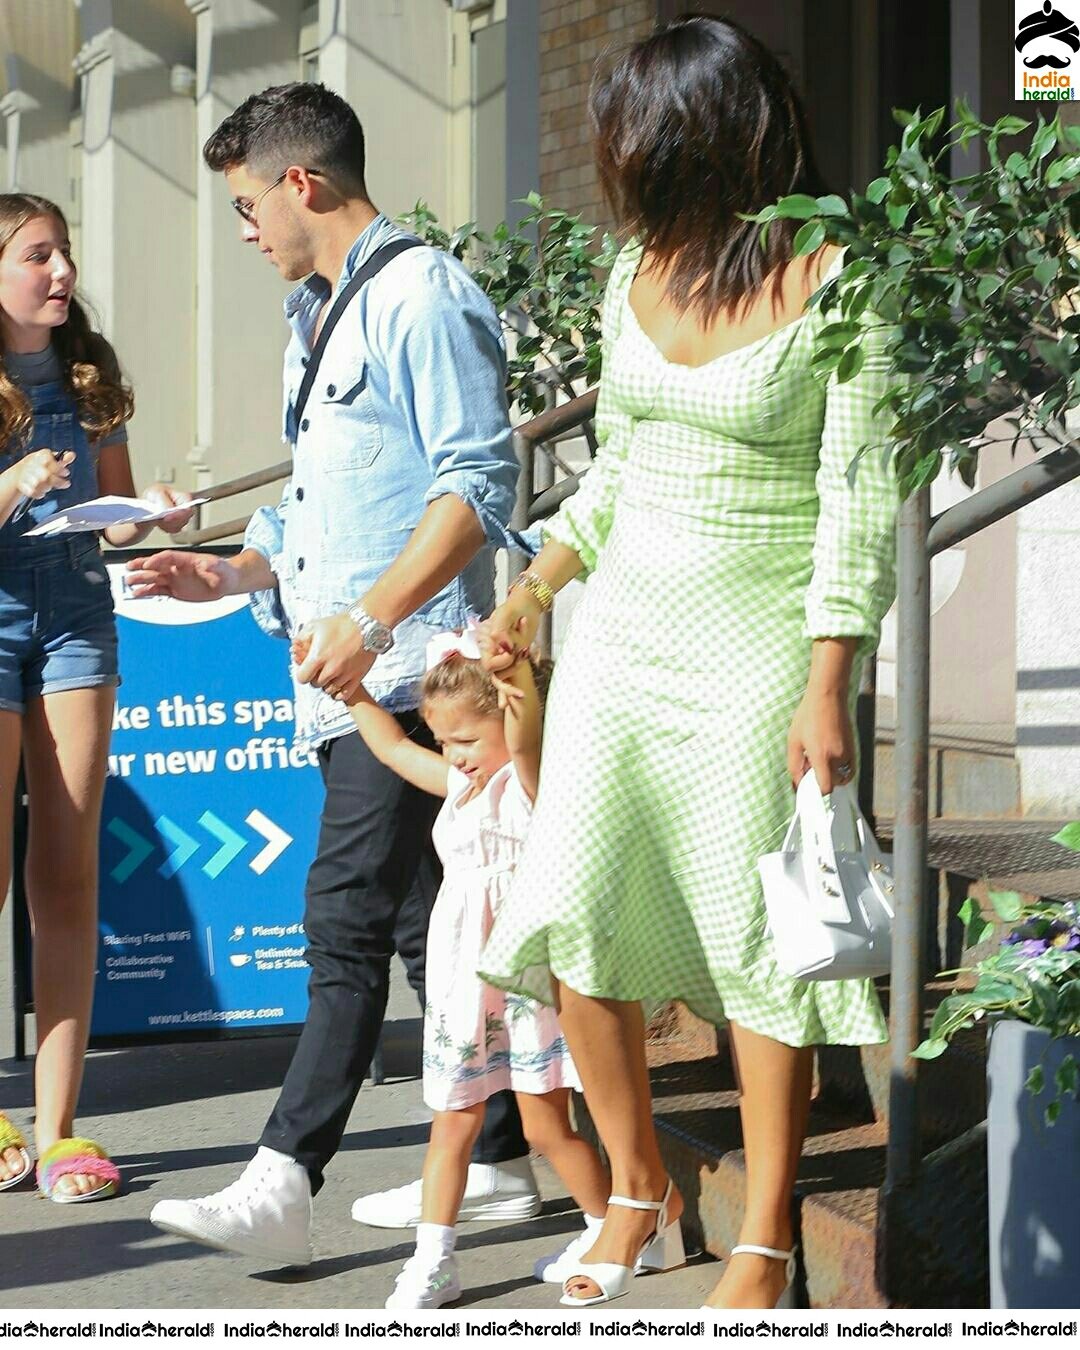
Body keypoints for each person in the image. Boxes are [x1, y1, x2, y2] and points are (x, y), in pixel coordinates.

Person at [479, 15, 900, 1310]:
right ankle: (637, 1183)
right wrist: (538, 587)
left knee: (758, 938)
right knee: (576, 916)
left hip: (760, 644)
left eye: (634, 132)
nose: (618, 156)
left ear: (705, 135)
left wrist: (830, 675)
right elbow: (614, 466)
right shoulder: (634, 277)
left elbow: (861, 494)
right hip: (619, 643)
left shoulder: (841, 279)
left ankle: (766, 1228)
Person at [132, 83, 532, 1268]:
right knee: (421, 927)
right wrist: (232, 572)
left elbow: (477, 487)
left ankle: (282, 1176)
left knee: (345, 917)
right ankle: (501, 1157)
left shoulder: (421, 294)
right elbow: (328, 502)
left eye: (250, 203)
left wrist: (368, 618)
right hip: (349, 677)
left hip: (418, 673)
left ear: (302, 182)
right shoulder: (315, 312)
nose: (246, 229)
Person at [292, 623, 611, 1307]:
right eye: (445, 741)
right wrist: (349, 690)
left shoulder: (529, 785)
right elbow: (388, 746)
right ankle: (434, 1260)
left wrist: (512, 677)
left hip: (526, 985)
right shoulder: (461, 785)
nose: (452, 755)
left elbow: (521, 737)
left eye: (465, 740)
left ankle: (617, 1228)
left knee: (545, 1125)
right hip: (466, 987)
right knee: (453, 1118)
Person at [0, 193, 192, 1204]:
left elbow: (114, 522)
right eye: (38, 256)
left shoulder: (90, 375)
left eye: (64, 252)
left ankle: (63, 1127)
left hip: (77, 619)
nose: (61, 270)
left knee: (68, 873)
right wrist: (11, 483)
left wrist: (152, 510)